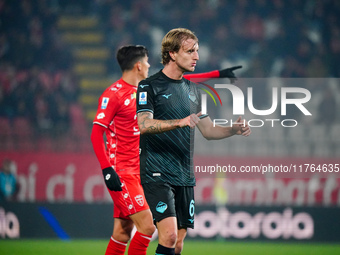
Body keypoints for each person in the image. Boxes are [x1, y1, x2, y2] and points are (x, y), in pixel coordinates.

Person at [91, 44, 243, 255]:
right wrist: (107, 170)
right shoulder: (113, 95)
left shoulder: (147, 88)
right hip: (123, 173)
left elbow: (181, 79)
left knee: (122, 232)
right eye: (146, 61)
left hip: (143, 169)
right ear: (138, 65)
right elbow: (96, 133)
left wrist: (218, 74)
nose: (149, 65)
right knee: (147, 226)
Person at [136, 28, 251, 255]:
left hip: (184, 174)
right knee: (167, 236)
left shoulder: (194, 91)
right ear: (172, 54)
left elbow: (208, 131)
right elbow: (143, 124)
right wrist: (179, 122)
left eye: (197, 51)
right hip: (156, 171)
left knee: (178, 244)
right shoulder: (149, 86)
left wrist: (233, 130)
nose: (196, 57)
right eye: (190, 51)